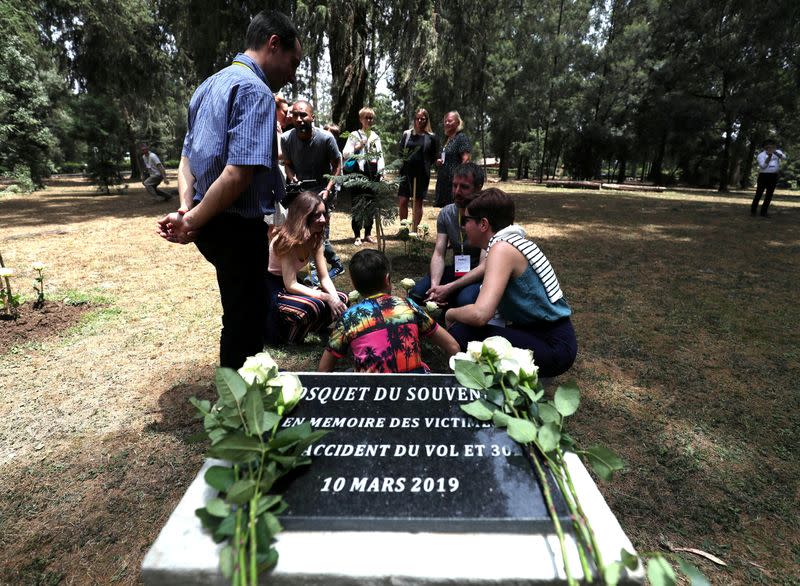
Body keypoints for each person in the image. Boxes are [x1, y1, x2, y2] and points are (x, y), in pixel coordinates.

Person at [156, 9, 300, 369]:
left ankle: (242, 398)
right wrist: (192, 221)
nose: (293, 73)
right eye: (293, 62)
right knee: (245, 323)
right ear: (273, 44)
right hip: (236, 225)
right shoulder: (256, 91)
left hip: (212, 222)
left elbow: (186, 159)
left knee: (238, 311)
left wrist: (189, 211)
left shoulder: (208, 86)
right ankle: (241, 409)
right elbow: (238, 174)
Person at [445, 189, 577, 377]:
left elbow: (480, 314)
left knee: (463, 333)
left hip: (553, 345)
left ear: (483, 224)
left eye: (465, 220)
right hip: (549, 335)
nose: (463, 226)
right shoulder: (512, 242)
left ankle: (466, 388)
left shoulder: (502, 249)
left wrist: (451, 313)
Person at [319, 249, 459, 373]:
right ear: (387, 279)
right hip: (414, 390)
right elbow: (453, 345)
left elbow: (324, 370)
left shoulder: (349, 317)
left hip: (372, 395)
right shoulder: (408, 305)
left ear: (354, 284)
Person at [267, 191, 348, 344]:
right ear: (303, 216)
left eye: (324, 214)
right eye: (317, 215)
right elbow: (290, 285)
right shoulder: (287, 240)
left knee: (342, 299)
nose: (323, 219)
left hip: (292, 284)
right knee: (313, 305)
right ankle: (291, 338)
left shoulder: (315, 238)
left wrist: (335, 299)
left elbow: (324, 278)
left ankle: (311, 326)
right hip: (273, 287)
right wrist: (326, 297)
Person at [281, 100, 345, 276]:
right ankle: (316, 269)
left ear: (312, 117)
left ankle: (323, 271)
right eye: (295, 115)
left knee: (319, 232)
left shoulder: (326, 138)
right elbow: (287, 164)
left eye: (303, 115)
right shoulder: (286, 139)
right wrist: (292, 178)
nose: (299, 119)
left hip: (322, 191)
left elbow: (337, 165)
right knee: (301, 231)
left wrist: (328, 188)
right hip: (301, 193)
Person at [409, 162, 485, 310]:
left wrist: (449, 288)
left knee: (464, 300)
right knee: (417, 294)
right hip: (458, 270)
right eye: (454, 185)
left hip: (478, 275)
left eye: (464, 187)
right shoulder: (446, 213)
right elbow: (439, 253)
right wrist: (435, 287)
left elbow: (484, 267)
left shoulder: (487, 216)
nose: (457, 191)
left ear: (479, 187)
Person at [343, 107, 385, 246]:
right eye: (366, 117)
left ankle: (368, 233)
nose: (369, 120)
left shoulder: (375, 136)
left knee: (370, 205)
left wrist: (382, 171)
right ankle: (357, 235)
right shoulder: (354, 135)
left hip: (373, 174)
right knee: (357, 204)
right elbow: (345, 153)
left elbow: (380, 156)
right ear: (361, 119)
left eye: (371, 118)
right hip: (358, 174)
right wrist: (358, 146)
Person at [398, 109, 440, 231]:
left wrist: (433, 163)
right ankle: (404, 229)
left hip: (422, 174)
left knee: (417, 202)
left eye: (423, 119)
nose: (419, 121)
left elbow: (434, 156)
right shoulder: (407, 134)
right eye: (417, 118)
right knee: (403, 201)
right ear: (414, 119)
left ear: (427, 120)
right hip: (406, 173)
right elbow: (401, 152)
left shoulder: (432, 137)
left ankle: (414, 230)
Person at [434, 111, 471, 207]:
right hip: (444, 182)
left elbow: (466, 159)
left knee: (455, 210)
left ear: (458, 123)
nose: (446, 123)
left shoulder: (461, 137)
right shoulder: (447, 139)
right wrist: (438, 162)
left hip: (454, 183)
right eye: (445, 121)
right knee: (446, 210)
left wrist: (459, 178)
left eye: (450, 121)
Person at [265, 94, 290, 235]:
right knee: (274, 225)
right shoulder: (272, 126)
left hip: (275, 178)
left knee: (275, 223)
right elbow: (279, 153)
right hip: (271, 180)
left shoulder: (277, 127)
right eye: (285, 112)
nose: (287, 116)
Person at [751, 141, 787, 218]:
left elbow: (784, 158)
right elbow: (763, 166)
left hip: (774, 176)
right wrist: (769, 156)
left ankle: (764, 212)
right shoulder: (761, 155)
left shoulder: (777, 152)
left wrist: (775, 153)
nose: (771, 148)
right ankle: (753, 211)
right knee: (759, 194)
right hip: (764, 176)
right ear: (765, 148)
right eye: (769, 147)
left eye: (773, 147)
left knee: (769, 195)